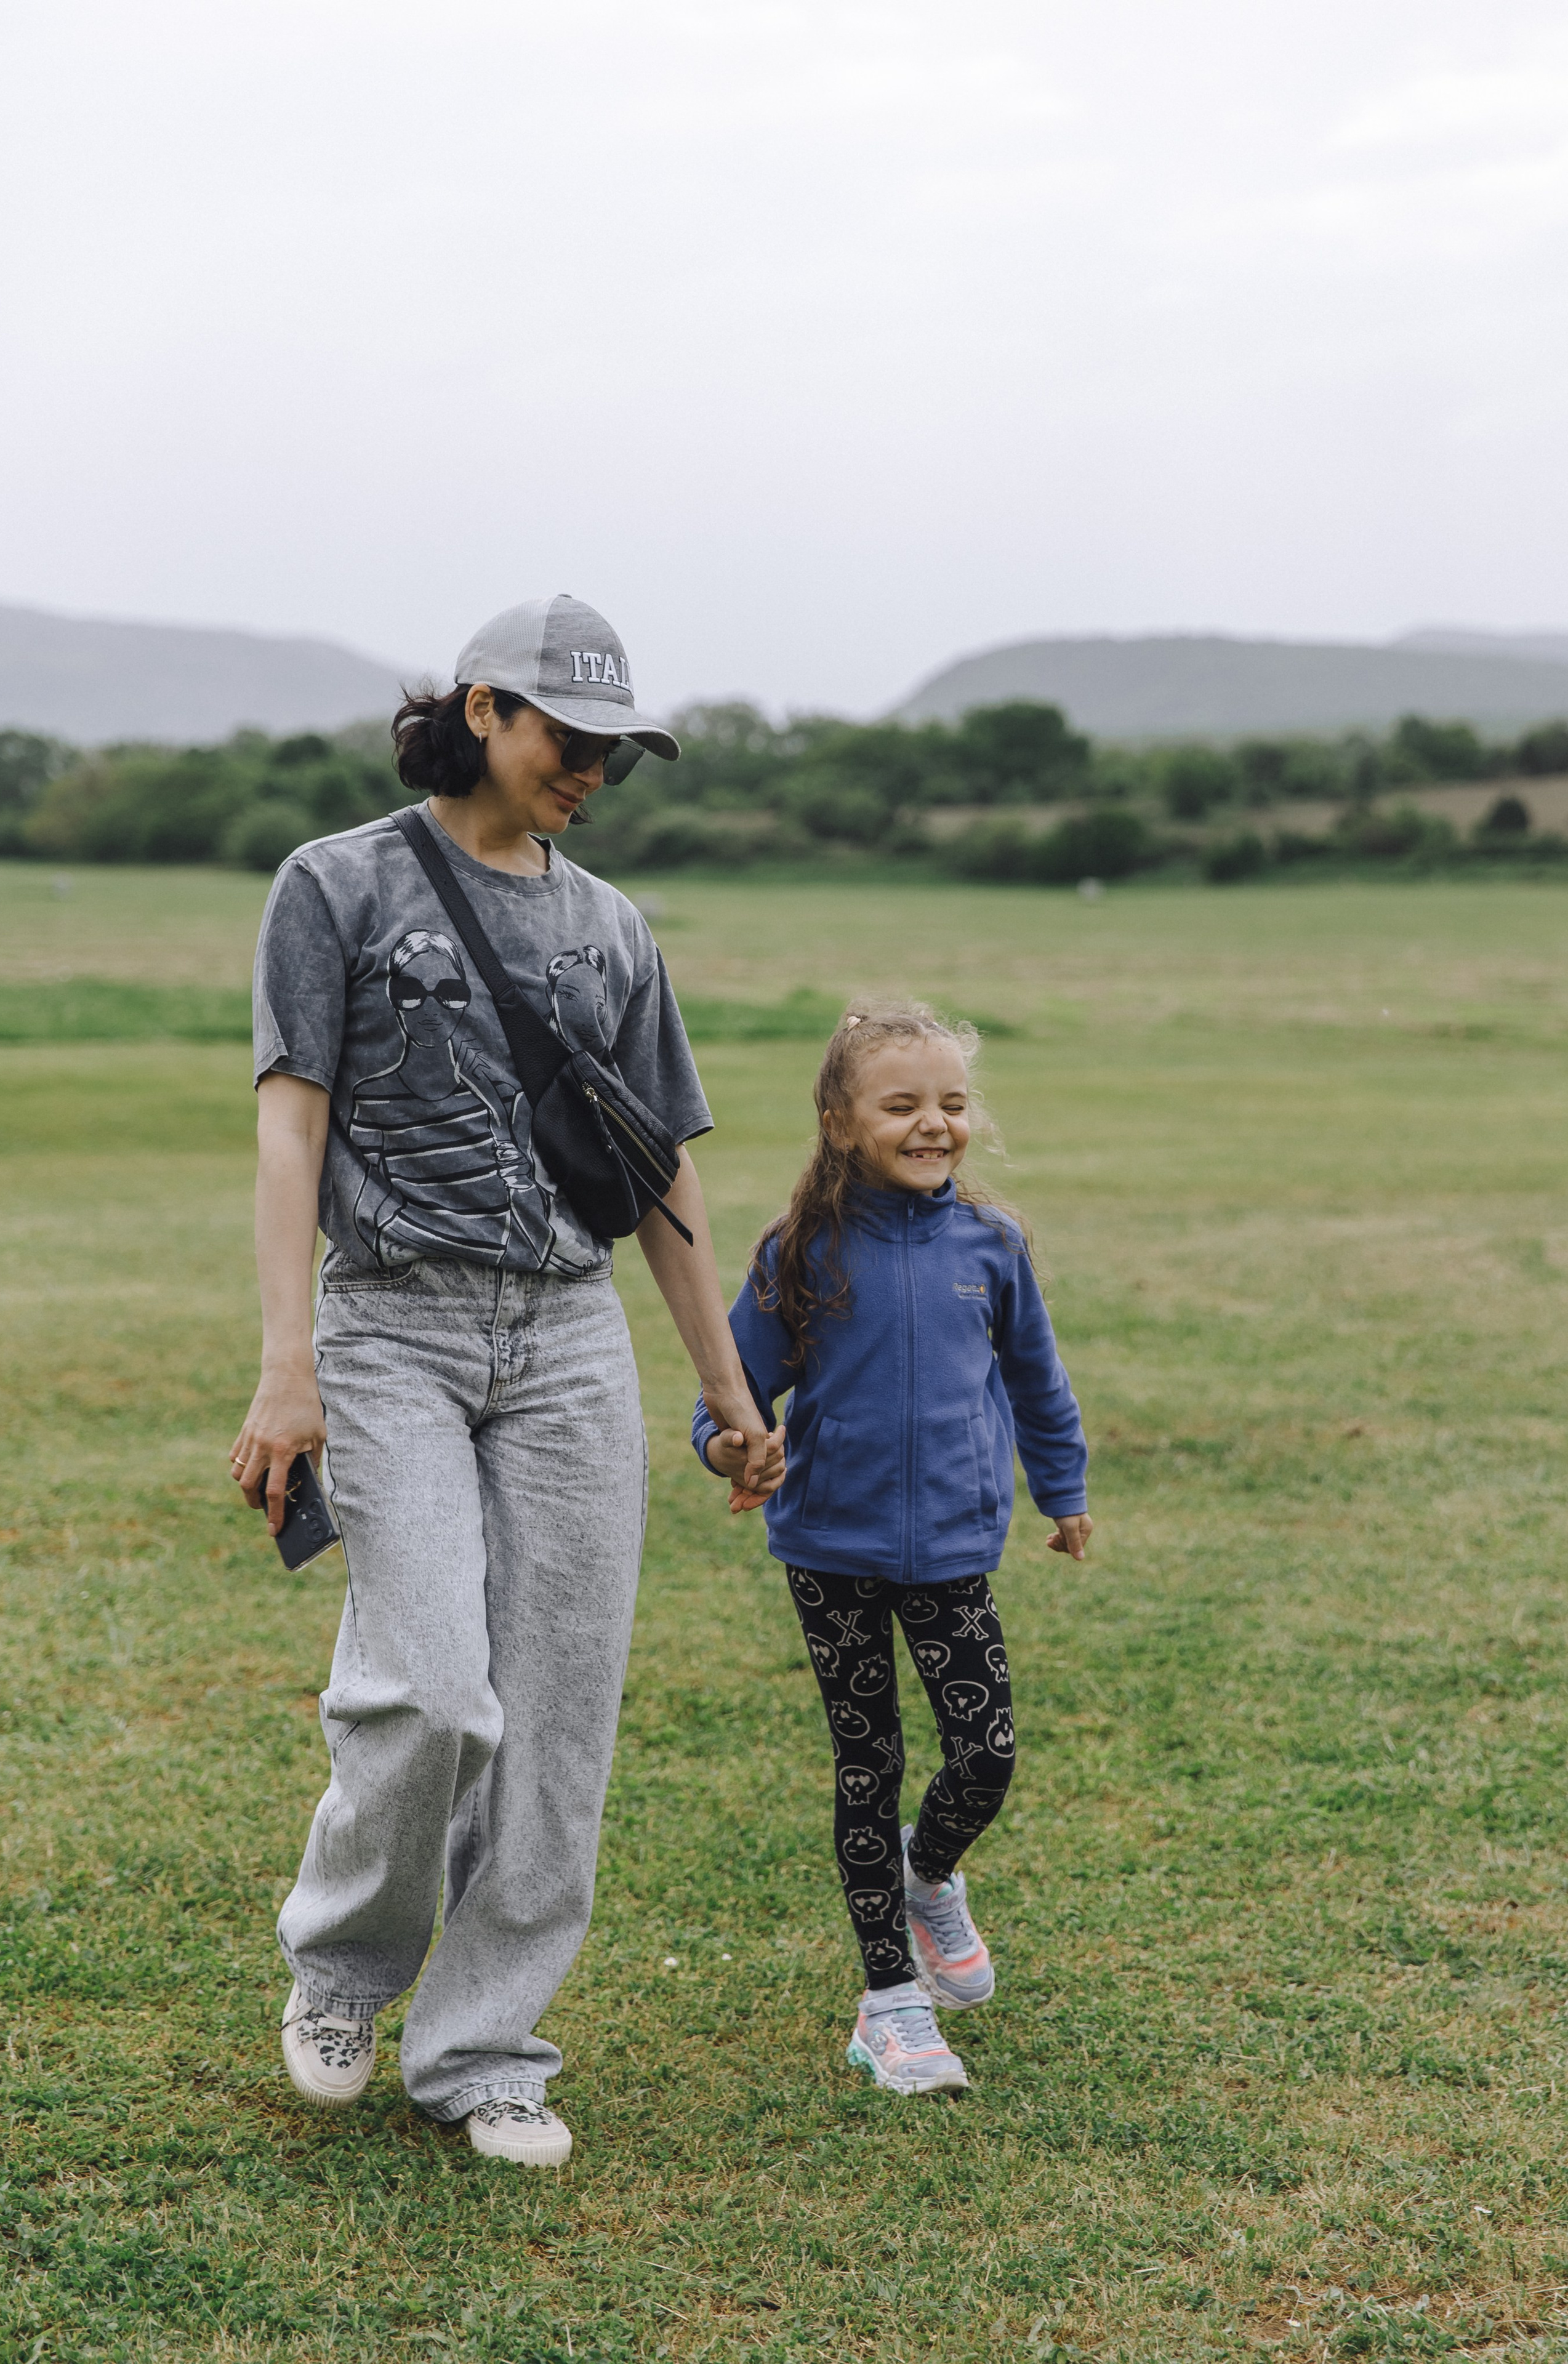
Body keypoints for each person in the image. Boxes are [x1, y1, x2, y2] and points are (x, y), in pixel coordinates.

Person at [231, 592, 782, 2166]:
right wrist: (289, 1371)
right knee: (428, 1691)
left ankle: (483, 2050)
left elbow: (658, 1175)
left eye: (616, 747)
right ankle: (342, 1972)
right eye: (568, 737)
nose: (592, 769)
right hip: (389, 1323)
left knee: (554, 1714)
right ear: (483, 710)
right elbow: (291, 1125)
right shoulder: (332, 884)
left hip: (561, 1334)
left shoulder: (610, 927)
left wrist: (728, 1392)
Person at [691, 1002, 1089, 2097]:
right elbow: (729, 1392)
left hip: (956, 1546)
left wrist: (1064, 1492)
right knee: (868, 1766)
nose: (934, 1125)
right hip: (831, 1550)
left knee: (987, 1756)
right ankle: (891, 2008)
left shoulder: (992, 1247)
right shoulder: (801, 1251)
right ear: (839, 1121)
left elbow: (1038, 1386)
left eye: (953, 1105)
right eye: (903, 1105)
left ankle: (929, 1877)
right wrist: (734, 1450)